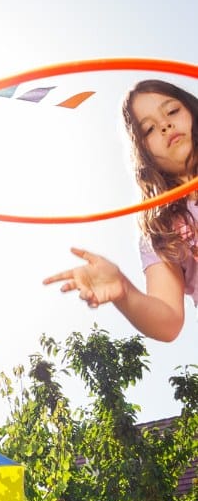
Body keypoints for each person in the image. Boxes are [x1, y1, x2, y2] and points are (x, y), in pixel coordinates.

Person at [44, 79, 198, 342]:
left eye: (172, 111)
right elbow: (168, 322)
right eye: (149, 129)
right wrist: (125, 291)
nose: (164, 125)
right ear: (144, 153)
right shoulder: (160, 228)